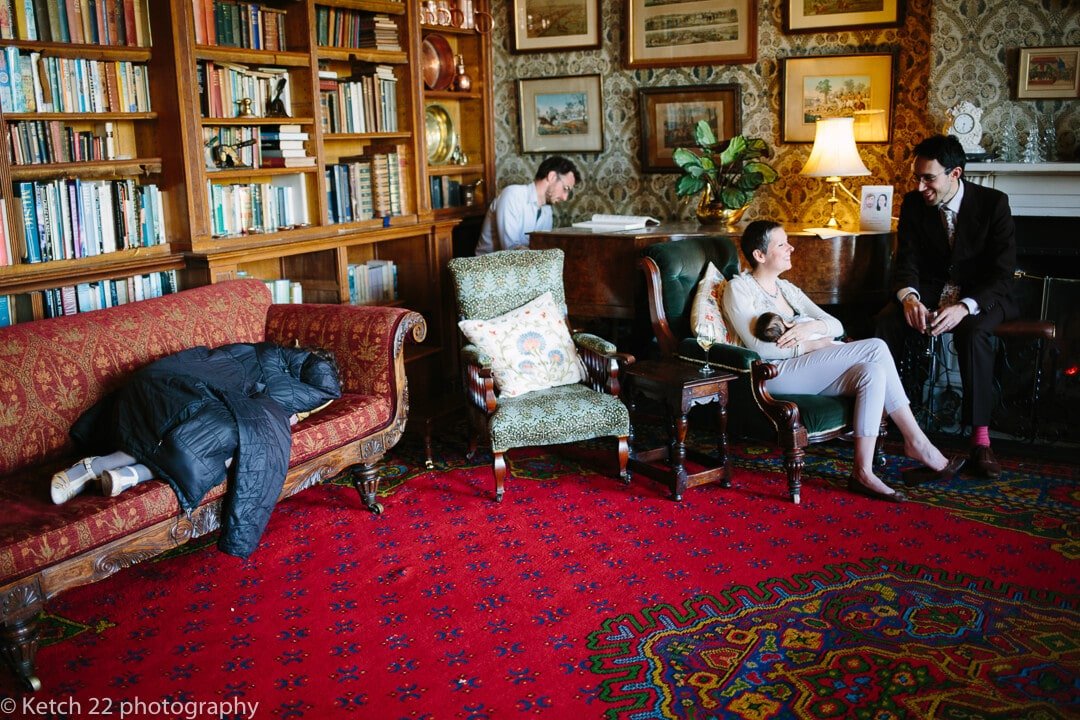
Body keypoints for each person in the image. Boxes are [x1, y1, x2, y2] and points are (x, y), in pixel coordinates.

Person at [722, 220, 963, 502]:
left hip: (809, 367)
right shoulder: (738, 289)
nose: (791, 247)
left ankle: (863, 471)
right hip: (773, 372)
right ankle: (917, 442)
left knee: (871, 372)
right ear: (759, 255)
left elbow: (835, 325)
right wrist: (815, 343)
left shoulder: (787, 289)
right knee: (875, 347)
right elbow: (760, 347)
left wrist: (810, 329)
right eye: (781, 244)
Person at [874, 134, 1017, 479]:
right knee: (885, 323)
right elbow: (906, 262)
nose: (921, 186)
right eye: (918, 177)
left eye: (929, 178)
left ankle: (980, 441)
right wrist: (909, 298)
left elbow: (1002, 272)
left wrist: (966, 306)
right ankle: (882, 423)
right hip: (929, 292)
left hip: (984, 295)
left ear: (956, 174)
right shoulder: (913, 204)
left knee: (975, 333)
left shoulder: (994, 203)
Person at [474, 156, 579, 255]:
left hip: (520, 270)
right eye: (565, 189)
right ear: (552, 177)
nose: (565, 198)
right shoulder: (512, 195)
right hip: (487, 269)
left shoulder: (547, 211)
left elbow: (540, 247)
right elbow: (510, 250)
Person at [754, 312, 838, 345]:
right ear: (784, 321)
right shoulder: (801, 321)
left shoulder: (787, 345)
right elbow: (832, 335)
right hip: (832, 344)